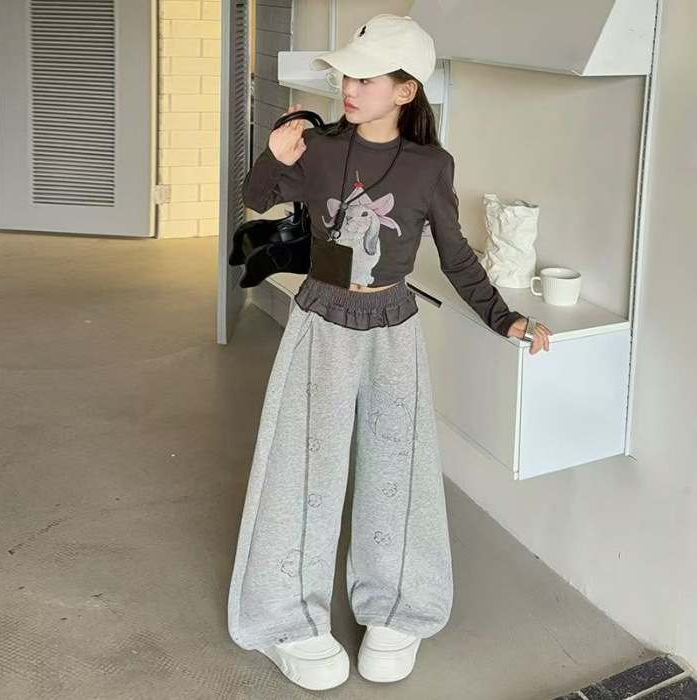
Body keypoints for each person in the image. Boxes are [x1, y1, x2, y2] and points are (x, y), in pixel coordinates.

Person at [227, 13, 553, 691]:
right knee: (300, 467)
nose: (349, 87)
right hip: (320, 315)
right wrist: (276, 155)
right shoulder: (320, 147)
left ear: (405, 91)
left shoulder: (431, 166)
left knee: (396, 468)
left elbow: (456, 255)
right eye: (347, 75)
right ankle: (288, 619)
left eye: (366, 78)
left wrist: (506, 318)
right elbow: (256, 199)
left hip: (393, 324)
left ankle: (398, 607)